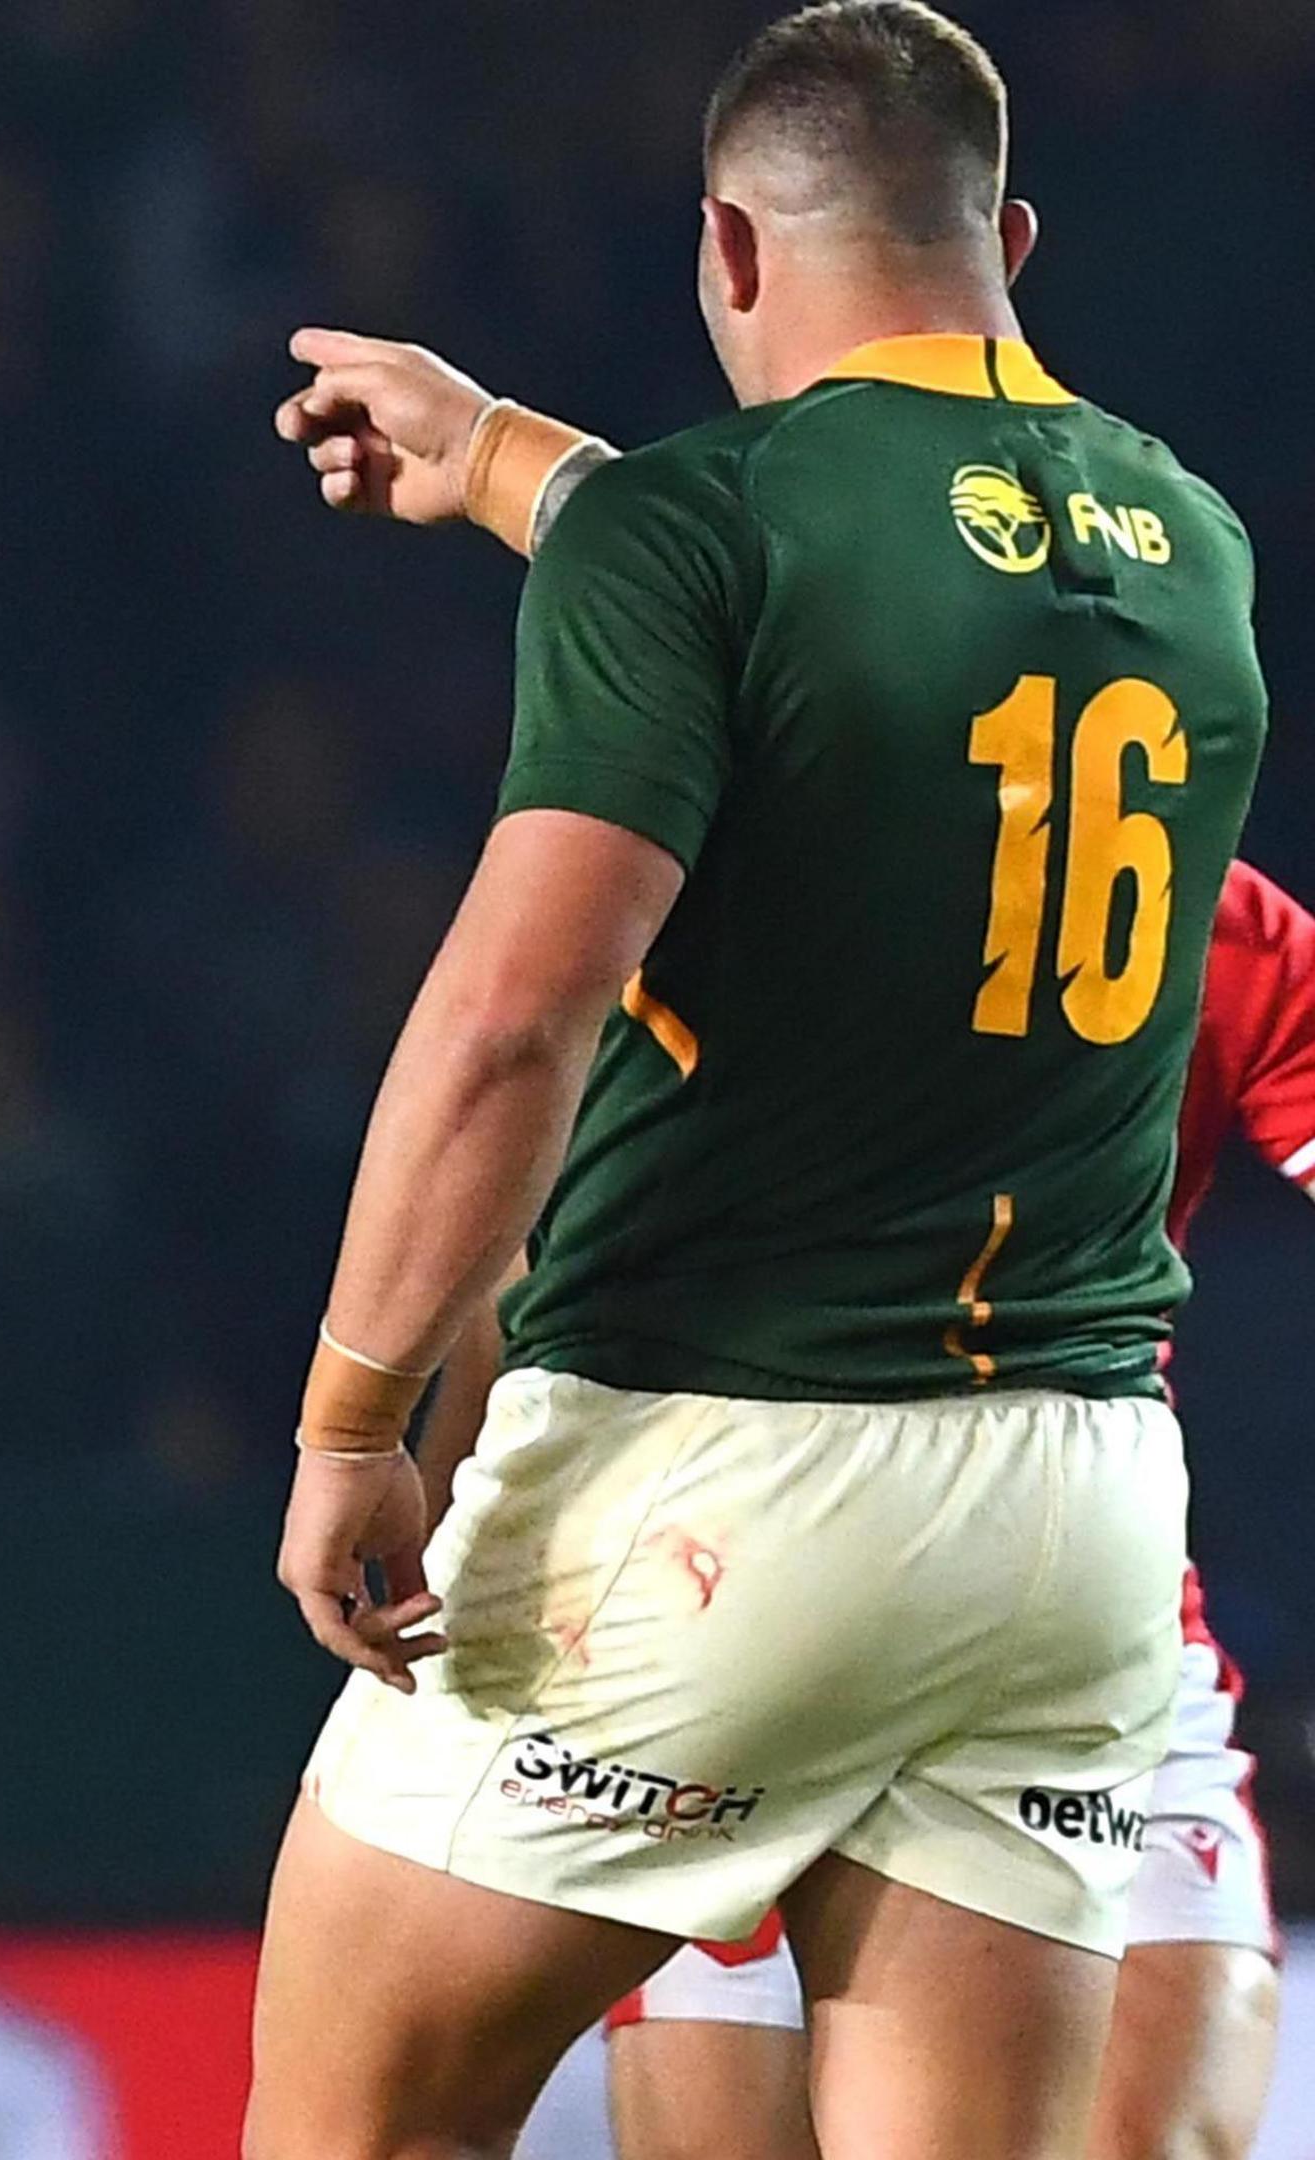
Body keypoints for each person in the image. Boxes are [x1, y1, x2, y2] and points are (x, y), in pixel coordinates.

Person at [243, 5, 1270, 2153]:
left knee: (358, 2120)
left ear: (727, 246)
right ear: (1012, 234)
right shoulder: (1191, 547)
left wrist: (352, 1417)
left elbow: (514, 1020)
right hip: (1073, 1521)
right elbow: (868, 606)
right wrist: (502, 447)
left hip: (726, 1470)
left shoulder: (695, 533)